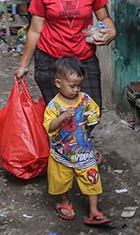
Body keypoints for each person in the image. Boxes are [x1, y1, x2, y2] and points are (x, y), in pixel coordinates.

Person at [14, 0, 116, 107]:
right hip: (50, 59)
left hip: (83, 58)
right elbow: (35, 30)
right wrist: (23, 65)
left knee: (91, 111)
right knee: (57, 113)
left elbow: (104, 18)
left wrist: (112, 32)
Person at [44, 57, 111, 226]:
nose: (76, 90)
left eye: (79, 86)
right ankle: (64, 202)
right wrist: (62, 117)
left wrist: (93, 117)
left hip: (84, 150)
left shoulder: (85, 99)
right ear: (58, 83)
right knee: (61, 181)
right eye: (72, 86)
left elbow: (95, 112)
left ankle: (94, 210)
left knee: (92, 180)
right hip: (62, 152)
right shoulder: (54, 106)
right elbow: (49, 126)